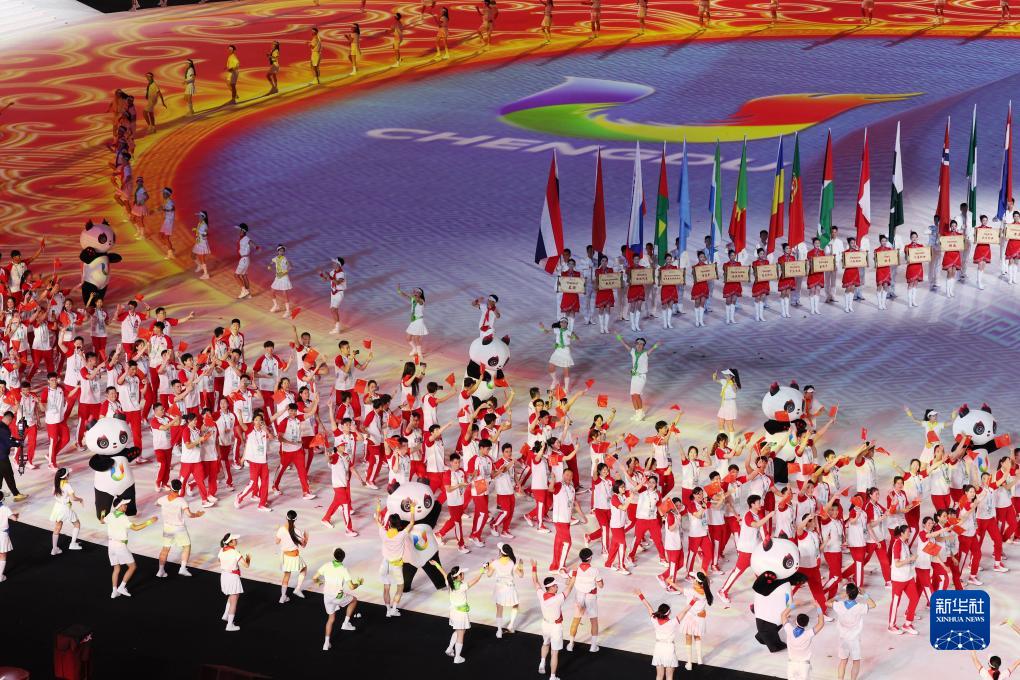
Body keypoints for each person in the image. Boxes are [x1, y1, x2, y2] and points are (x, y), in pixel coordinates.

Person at [431, 560, 485, 663]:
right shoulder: (462, 586)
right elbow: (475, 580)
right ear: (459, 576)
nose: (463, 574)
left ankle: (449, 649)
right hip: (460, 614)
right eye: (462, 573)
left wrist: (437, 565)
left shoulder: (449, 582)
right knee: (461, 635)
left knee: (459, 631)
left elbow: (444, 573)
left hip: (453, 612)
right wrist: (481, 571)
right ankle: (457, 657)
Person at [105, 495, 156, 599]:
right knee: (132, 567)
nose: (126, 506)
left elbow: (102, 521)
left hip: (111, 545)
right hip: (120, 546)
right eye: (124, 504)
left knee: (116, 568)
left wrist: (102, 514)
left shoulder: (110, 515)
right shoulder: (123, 518)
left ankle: (114, 592)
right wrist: (149, 522)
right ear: (119, 506)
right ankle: (121, 587)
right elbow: (136, 528)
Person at [532, 560, 574, 680]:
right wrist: (574, 575)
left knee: (545, 643)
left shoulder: (541, 594)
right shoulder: (558, 598)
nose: (557, 587)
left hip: (545, 624)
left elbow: (535, 581)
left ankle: (542, 662)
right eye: (555, 585)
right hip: (556, 627)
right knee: (554, 653)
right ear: (550, 587)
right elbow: (570, 587)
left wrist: (534, 567)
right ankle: (552, 676)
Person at [314, 547, 362, 650]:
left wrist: (319, 582)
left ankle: (326, 644)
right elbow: (351, 587)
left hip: (327, 596)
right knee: (354, 600)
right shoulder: (344, 570)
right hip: (338, 596)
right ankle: (345, 623)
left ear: (334, 556)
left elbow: (314, 578)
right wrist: (359, 583)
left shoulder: (326, 565)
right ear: (343, 558)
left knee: (331, 619)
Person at [156, 479, 203, 577]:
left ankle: (160, 571)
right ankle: (182, 569)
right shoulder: (181, 501)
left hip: (167, 527)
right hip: (179, 528)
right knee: (186, 546)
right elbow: (189, 514)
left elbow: (157, 504)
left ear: (171, 487)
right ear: (180, 488)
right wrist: (197, 515)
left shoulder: (163, 499)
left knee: (165, 549)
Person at [829, 583, 877, 680]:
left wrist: (839, 596)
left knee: (843, 661)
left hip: (843, 638)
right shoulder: (859, 607)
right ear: (857, 594)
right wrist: (864, 594)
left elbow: (827, 603)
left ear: (846, 593)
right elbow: (873, 604)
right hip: (854, 639)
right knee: (856, 661)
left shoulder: (839, 605)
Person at [376, 499, 416, 616]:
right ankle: (393, 610)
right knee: (400, 587)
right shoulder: (401, 535)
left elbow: (377, 519)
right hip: (396, 565)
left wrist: (378, 505)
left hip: (385, 564)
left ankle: (388, 610)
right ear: (398, 524)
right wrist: (412, 507)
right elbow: (412, 522)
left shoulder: (383, 532)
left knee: (386, 588)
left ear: (389, 523)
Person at [636, 591, 680, 680]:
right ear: (668, 613)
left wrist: (640, 595)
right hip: (669, 649)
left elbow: (648, 607)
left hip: (658, 648)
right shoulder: (673, 622)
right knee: (669, 676)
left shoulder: (654, 619)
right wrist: (693, 600)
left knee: (659, 675)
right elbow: (685, 611)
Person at [617, 335, 659, 421]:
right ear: (635, 344)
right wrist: (618, 336)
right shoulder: (633, 352)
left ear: (643, 345)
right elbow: (624, 344)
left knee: (637, 395)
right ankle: (637, 413)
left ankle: (640, 413)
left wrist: (656, 345)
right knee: (633, 396)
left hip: (641, 377)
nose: (639, 345)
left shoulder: (645, 353)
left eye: (641, 344)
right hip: (634, 376)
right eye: (637, 343)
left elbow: (652, 349)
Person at [218, 533, 250, 631]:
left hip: (224, 576)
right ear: (230, 542)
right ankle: (229, 625)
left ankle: (225, 615)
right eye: (235, 540)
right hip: (232, 577)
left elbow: (219, 561)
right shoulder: (235, 553)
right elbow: (246, 565)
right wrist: (248, 558)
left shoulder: (222, 550)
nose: (236, 541)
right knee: (234, 601)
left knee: (232, 596)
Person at [276, 509, 310, 603]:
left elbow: (277, 542)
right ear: (296, 519)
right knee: (304, 568)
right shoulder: (297, 531)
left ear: (286, 517)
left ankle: (283, 596)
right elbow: (303, 545)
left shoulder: (281, 529)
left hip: (285, 556)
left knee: (286, 575)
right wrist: (306, 538)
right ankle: (297, 589)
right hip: (294, 557)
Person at [782, 608, 825, 680]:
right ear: (807, 624)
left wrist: (793, 605)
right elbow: (821, 623)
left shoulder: (789, 629)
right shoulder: (809, 634)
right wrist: (818, 607)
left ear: (796, 621)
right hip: (804, 666)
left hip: (791, 664)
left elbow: (783, 615)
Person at [49, 468, 83, 555]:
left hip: (57, 507)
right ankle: (72, 544)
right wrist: (80, 499)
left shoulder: (56, 484)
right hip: (65, 508)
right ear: (66, 476)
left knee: (57, 527)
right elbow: (73, 498)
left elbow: (52, 494)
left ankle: (54, 549)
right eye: (68, 474)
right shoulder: (67, 485)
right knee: (77, 524)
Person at [540, 319, 577, 392]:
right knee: (551, 366)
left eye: (565, 322)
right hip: (558, 350)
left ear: (567, 324)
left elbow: (576, 338)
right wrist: (542, 328)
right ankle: (555, 381)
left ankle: (566, 388)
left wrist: (573, 336)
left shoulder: (569, 332)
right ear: (560, 323)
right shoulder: (556, 330)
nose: (563, 323)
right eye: (562, 322)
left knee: (565, 370)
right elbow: (546, 332)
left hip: (565, 350)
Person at [0, 413, 26, 501]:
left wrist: (17, 440)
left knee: (0, 475)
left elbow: (8, 438)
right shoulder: (4, 429)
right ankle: (16, 494)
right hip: (2, 457)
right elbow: (8, 442)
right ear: (9, 419)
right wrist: (19, 444)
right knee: (9, 475)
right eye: (11, 421)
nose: (10, 423)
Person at [397, 286, 427, 357]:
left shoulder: (421, 301)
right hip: (413, 321)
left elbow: (417, 300)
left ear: (420, 294)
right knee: (408, 338)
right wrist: (399, 291)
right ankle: (414, 349)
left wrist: (413, 295)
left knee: (416, 338)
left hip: (419, 321)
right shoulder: (413, 299)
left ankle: (419, 354)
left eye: (418, 292)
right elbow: (405, 295)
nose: (416, 293)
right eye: (416, 292)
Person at [320, 257, 346, 334]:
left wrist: (330, 277)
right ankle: (337, 328)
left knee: (333, 309)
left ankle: (337, 329)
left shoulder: (342, 274)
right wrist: (322, 274)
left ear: (338, 264)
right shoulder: (332, 272)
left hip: (339, 293)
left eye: (334, 262)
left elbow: (337, 282)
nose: (333, 263)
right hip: (333, 293)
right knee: (334, 310)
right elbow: (324, 280)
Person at [269, 245, 293, 316]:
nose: (281, 252)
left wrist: (283, 273)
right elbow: (271, 262)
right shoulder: (275, 258)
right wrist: (269, 265)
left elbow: (290, 267)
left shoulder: (285, 259)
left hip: (284, 277)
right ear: (278, 251)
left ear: (284, 252)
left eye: (283, 251)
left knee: (284, 294)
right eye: (280, 251)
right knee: (272, 291)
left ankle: (288, 311)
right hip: (278, 277)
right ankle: (276, 305)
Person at [714, 368, 739, 434]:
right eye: (725, 374)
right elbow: (715, 380)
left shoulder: (734, 384)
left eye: (727, 374)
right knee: (720, 423)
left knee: (729, 425)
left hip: (730, 405)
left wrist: (732, 383)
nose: (725, 375)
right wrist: (714, 376)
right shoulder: (724, 381)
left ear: (731, 376)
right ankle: (722, 438)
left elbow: (735, 391)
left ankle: (732, 440)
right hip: (724, 404)